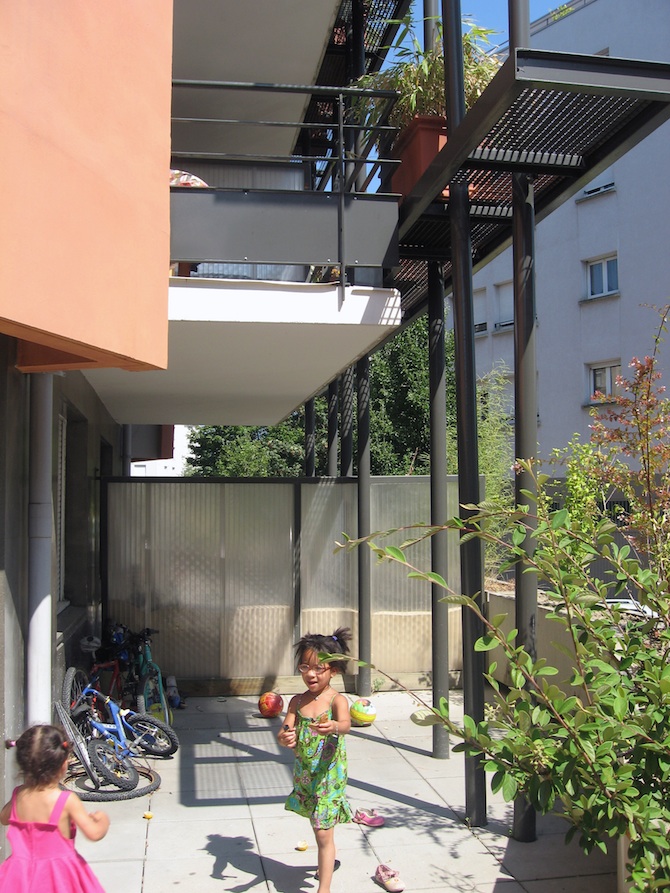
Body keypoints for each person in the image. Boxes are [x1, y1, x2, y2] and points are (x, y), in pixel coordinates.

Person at [278, 627, 353, 893]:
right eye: (305, 667)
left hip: (329, 775)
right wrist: (286, 737)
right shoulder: (296, 702)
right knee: (318, 825)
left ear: (334, 670)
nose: (311, 674)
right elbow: (286, 729)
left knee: (323, 832)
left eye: (319, 668)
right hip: (306, 773)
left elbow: (346, 725)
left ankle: (324, 889)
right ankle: (326, 859)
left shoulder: (336, 700)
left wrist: (333, 726)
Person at [0, 724, 110, 892]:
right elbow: (93, 833)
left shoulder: (19, 796)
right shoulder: (66, 800)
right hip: (59, 878)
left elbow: (4, 817)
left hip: (21, 877)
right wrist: (103, 820)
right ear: (63, 764)